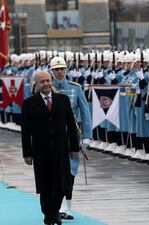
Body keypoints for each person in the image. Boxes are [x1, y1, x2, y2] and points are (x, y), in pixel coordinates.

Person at [21, 70, 79, 225]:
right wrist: (27, 153)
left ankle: (54, 212)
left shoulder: (63, 100)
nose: (46, 84)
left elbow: (71, 126)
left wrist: (74, 147)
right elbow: (25, 131)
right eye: (42, 82)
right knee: (45, 185)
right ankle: (49, 215)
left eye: (48, 80)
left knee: (61, 185)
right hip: (41, 151)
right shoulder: (29, 104)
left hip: (61, 149)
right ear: (36, 84)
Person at [50, 56, 92, 220]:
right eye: (56, 69)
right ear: (52, 71)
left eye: (62, 69)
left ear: (66, 70)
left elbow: (85, 112)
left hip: (72, 136)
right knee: (55, 172)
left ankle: (67, 207)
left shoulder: (76, 88)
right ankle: (57, 206)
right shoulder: (48, 87)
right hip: (53, 136)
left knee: (70, 172)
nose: (59, 72)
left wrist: (87, 136)